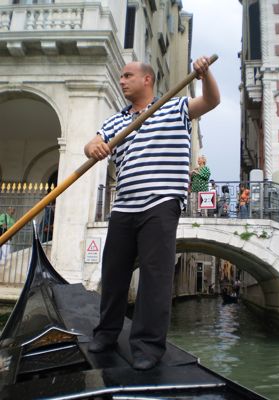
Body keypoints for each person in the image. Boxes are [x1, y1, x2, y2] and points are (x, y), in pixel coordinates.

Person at [84, 57, 220, 370]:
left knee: (155, 277)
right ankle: (106, 333)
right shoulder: (115, 121)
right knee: (114, 273)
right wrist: (94, 148)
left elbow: (212, 100)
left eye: (128, 75)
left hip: (160, 203)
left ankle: (147, 346)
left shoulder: (174, 107)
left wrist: (204, 74)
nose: (122, 81)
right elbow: (93, 142)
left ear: (147, 79)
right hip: (124, 206)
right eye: (120, 76)